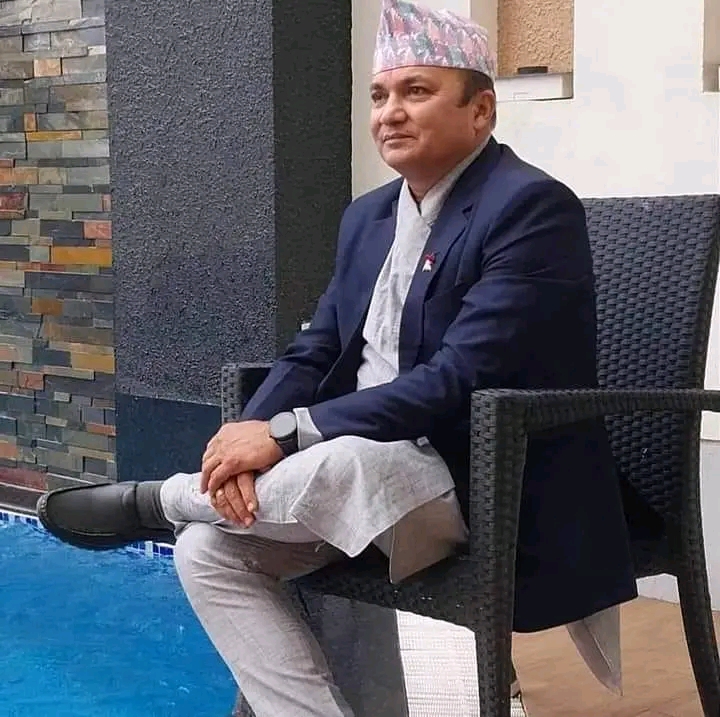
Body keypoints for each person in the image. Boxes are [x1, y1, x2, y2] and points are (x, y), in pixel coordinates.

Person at [36, 0, 638, 714]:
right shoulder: (369, 216)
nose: (390, 113)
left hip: (475, 473)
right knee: (208, 552)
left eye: (417, 91)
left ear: (481, 111)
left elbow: (456, 379)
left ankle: (161, 500)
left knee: (342, 463)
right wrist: (245, 438)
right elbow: (317, 347)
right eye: (380, 96)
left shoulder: (531, 208)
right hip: (367, 468)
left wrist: (287, 432)